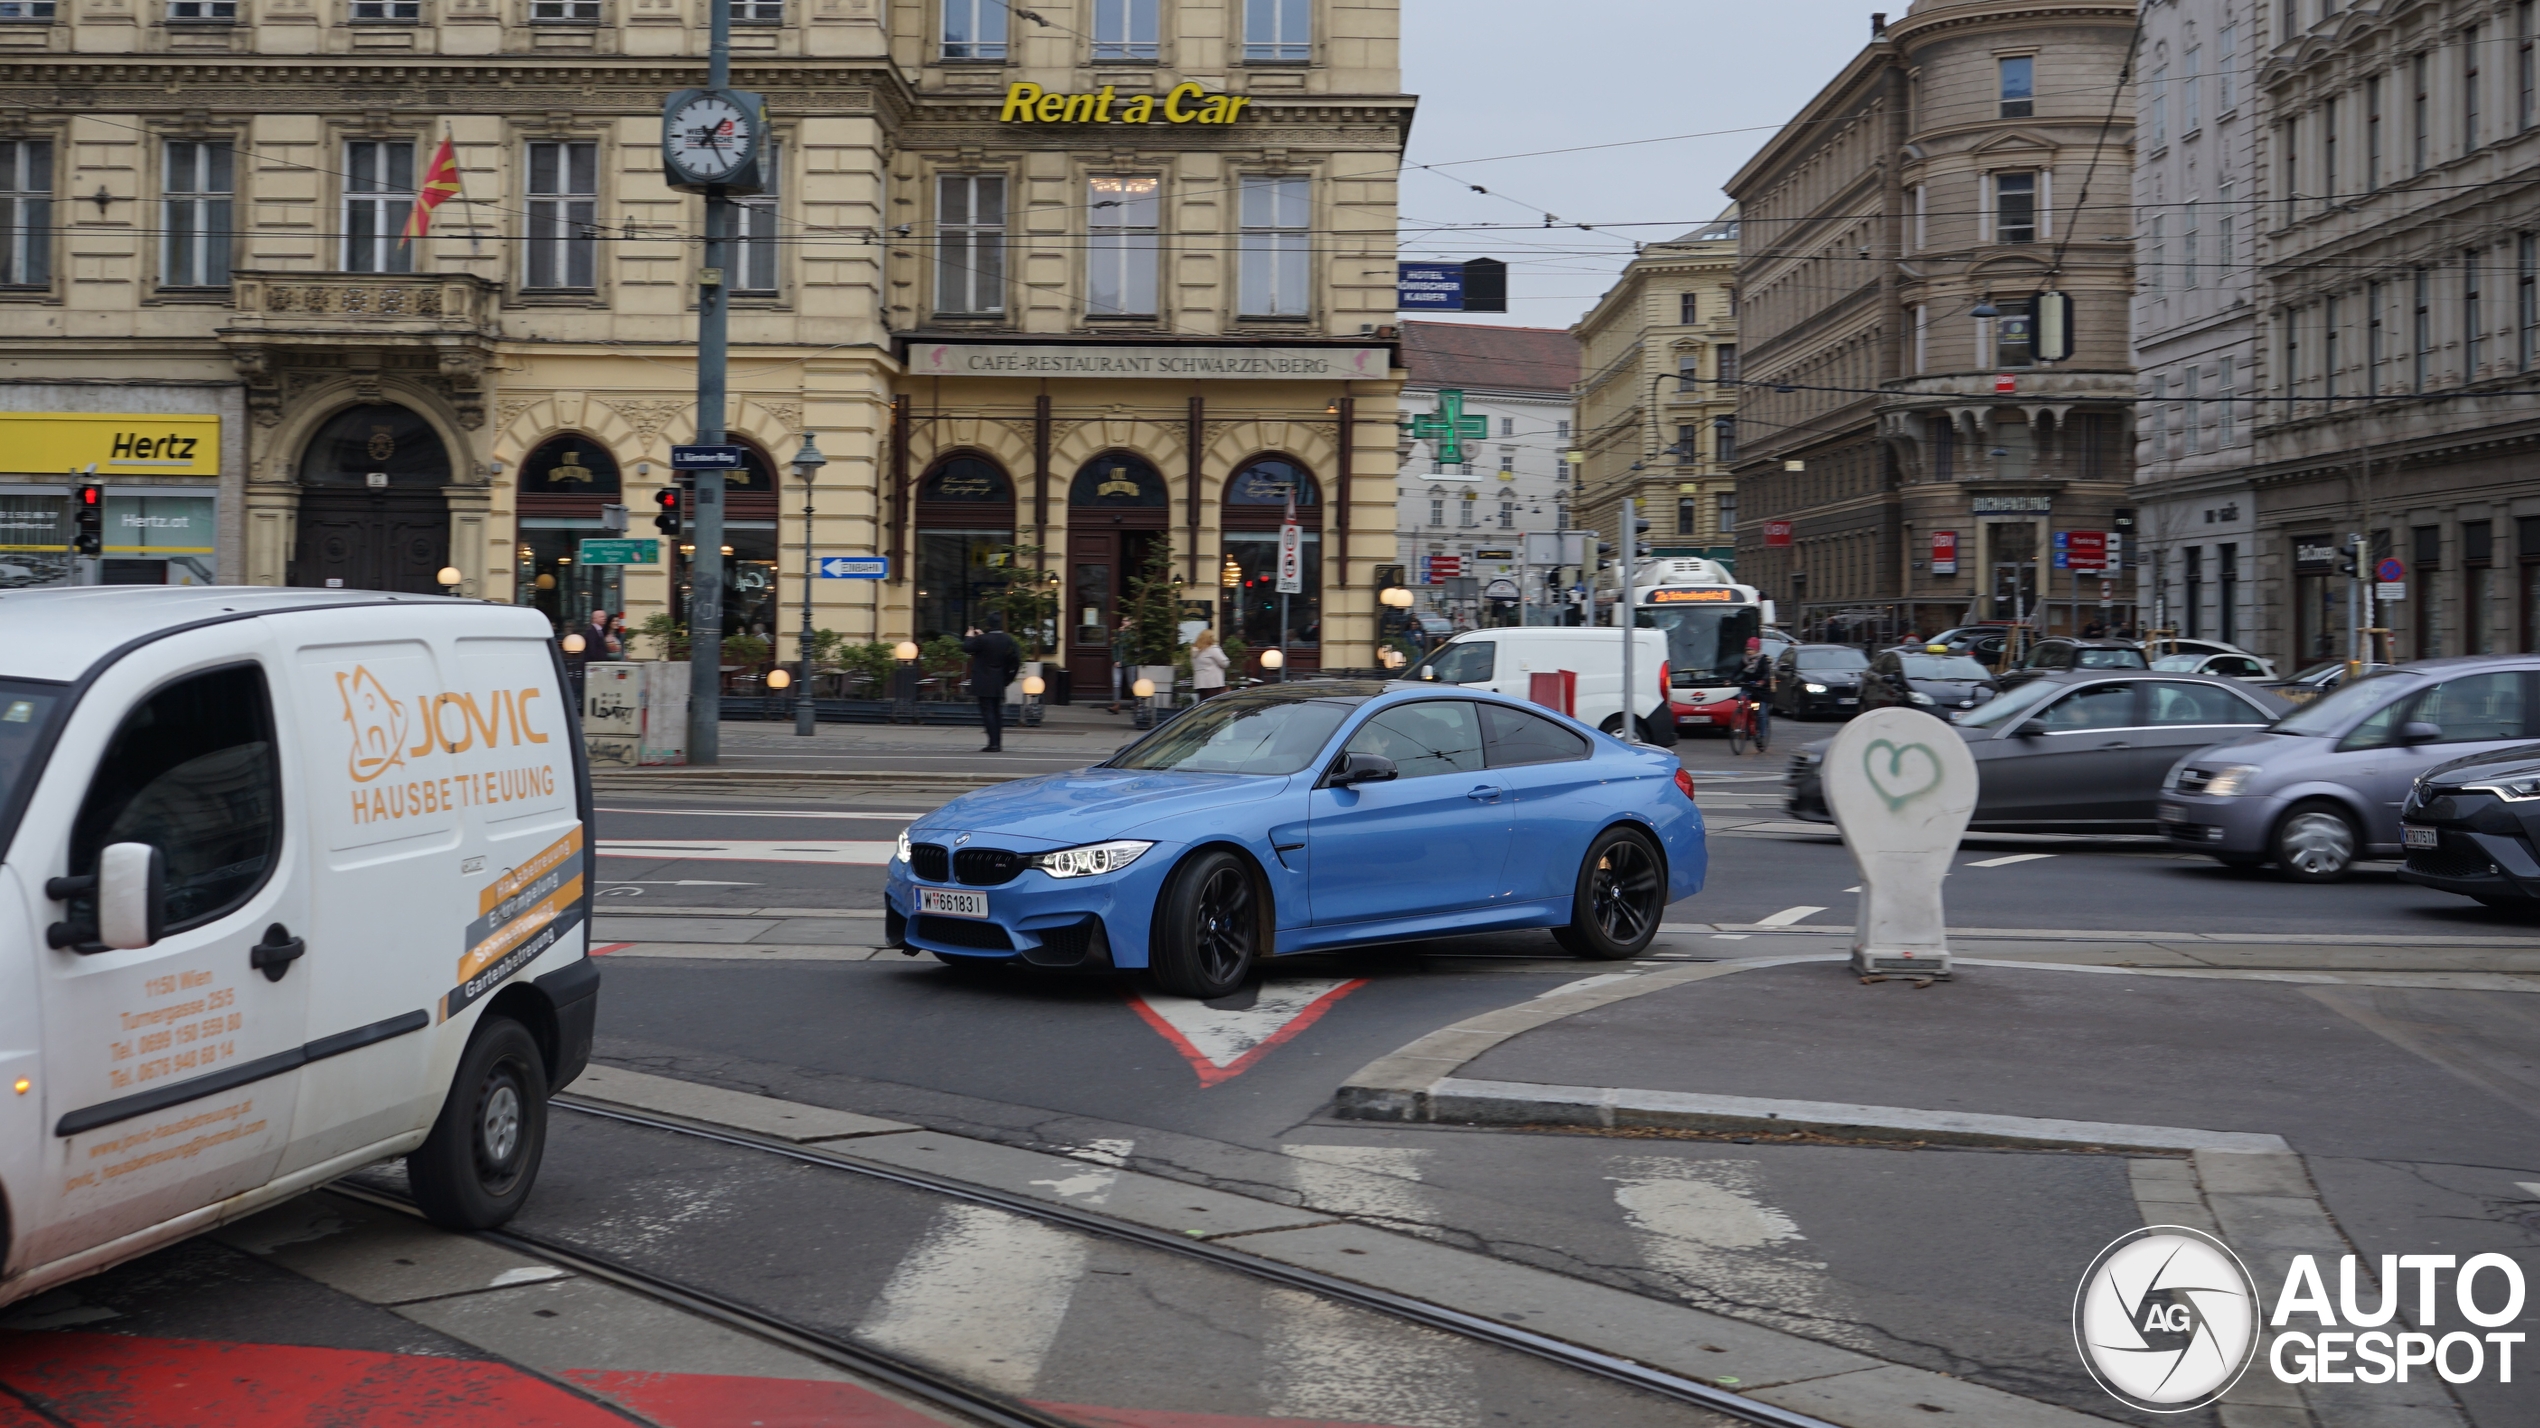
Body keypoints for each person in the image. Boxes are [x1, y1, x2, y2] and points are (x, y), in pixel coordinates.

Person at [961, 616, 1022, 753]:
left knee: (987, 711)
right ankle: (997, 742)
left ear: (989, 625)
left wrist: (969, 636)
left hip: (983, 680)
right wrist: (1008, 678)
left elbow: (966, 648)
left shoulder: (983, 640)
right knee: (996, 711)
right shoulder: (1008, 639)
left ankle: (993, 744)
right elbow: (1016, 659)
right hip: (999, 679)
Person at [1735, 636, 1775, 750]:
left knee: (1762, 713)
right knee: (1741, 698)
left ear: (1757, 650)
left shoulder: (1763, 660)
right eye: (1747, 649)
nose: (1749, 652)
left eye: (1751, 649)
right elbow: (1737, 670)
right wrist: (1729, 679)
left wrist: (1762, 681)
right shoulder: (1744, 660)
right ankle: (1743, 724)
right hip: (1749, 687)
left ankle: (1762, 735)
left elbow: (1766, 673)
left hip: (1762, 690)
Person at [1108, 616, 1139, 715]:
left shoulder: (1134, 633)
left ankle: (1136, 704)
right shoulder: (1118, 633)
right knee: (1116, 683)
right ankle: (1116, 705)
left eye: (1126, 621)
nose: (1124, 622)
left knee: (1132, 684)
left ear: (1131, 622)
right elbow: (1115, 647)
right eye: (1123, 620)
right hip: (1119, 662)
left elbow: (1131, 645)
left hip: (1130, 662)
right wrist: (1115, 660)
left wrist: (1125, 634)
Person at [1191, 628, 1229, 699]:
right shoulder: (1212, 649)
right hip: (1213, 683)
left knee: (1203, 705)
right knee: (1213, 704)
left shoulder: (1195, 651)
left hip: (1200, 683)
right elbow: (1224, 663)